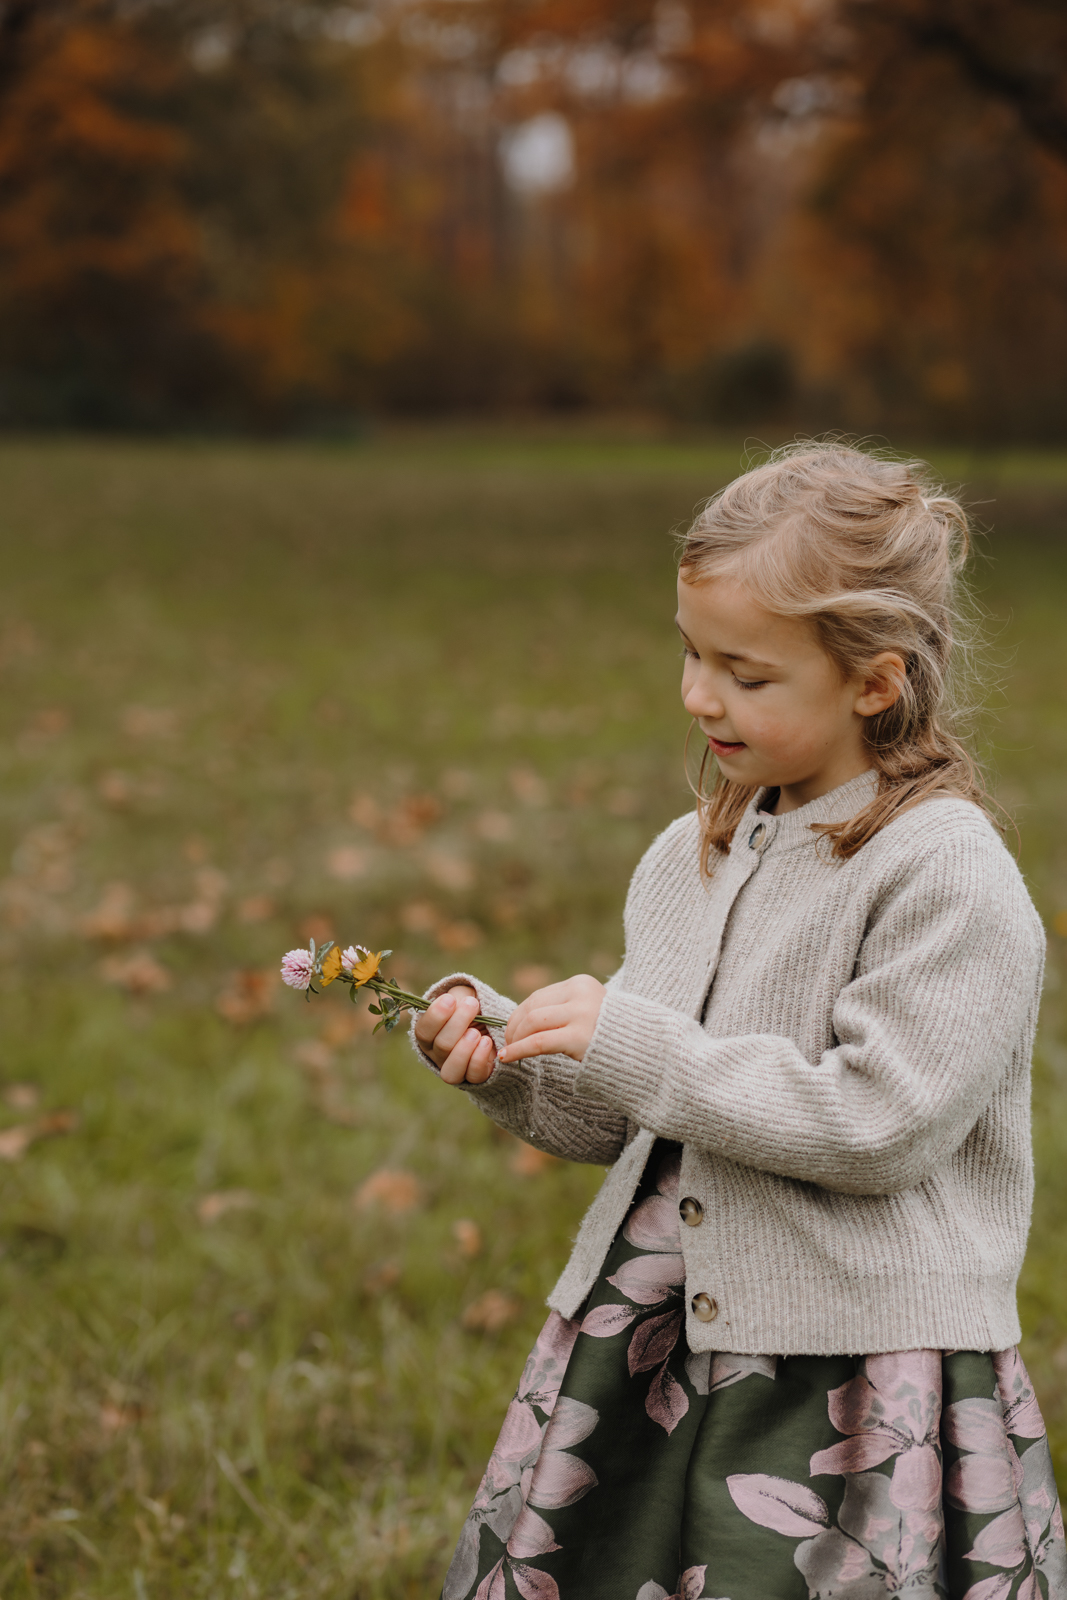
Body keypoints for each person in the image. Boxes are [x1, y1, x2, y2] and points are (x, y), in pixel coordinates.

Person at [412, 442, 1065, 1600]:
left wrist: (639, 1045)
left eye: (745, 673)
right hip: (651, 1338)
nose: (699, 696)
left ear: (874, 679)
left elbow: (877, 1125)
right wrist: (508, 1055)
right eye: (690, 655)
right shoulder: (694, 851)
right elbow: (636, 1109)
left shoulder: (942, 872)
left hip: (850, 1374)